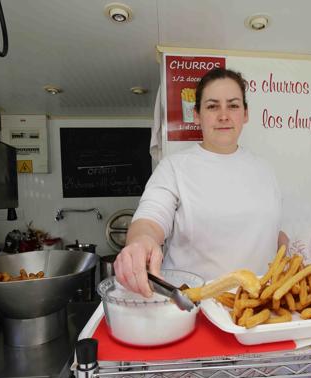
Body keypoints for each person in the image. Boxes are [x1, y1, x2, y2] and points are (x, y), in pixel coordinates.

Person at [114, 68, 287, 297]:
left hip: (257, 309)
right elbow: (150, 219)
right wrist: (141, 242)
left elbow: (271, 234)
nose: (223, 115)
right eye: (212, 106)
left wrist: (296, 254)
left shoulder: (265, 170)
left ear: (245, 114)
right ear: (196, 114)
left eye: (233, 105)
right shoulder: (174, 167)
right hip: (193, 307)